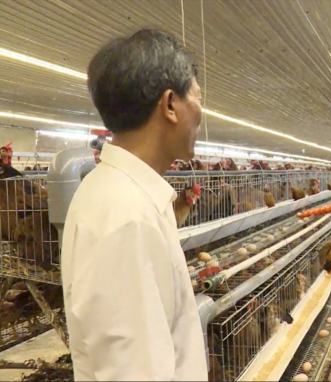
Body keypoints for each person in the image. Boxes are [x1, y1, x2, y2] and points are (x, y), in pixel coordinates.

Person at [61, 29, 208, 381]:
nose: (201, 112)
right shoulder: (126, 218)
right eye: (198, 98)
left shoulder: (123, 197)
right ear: (170, 105)